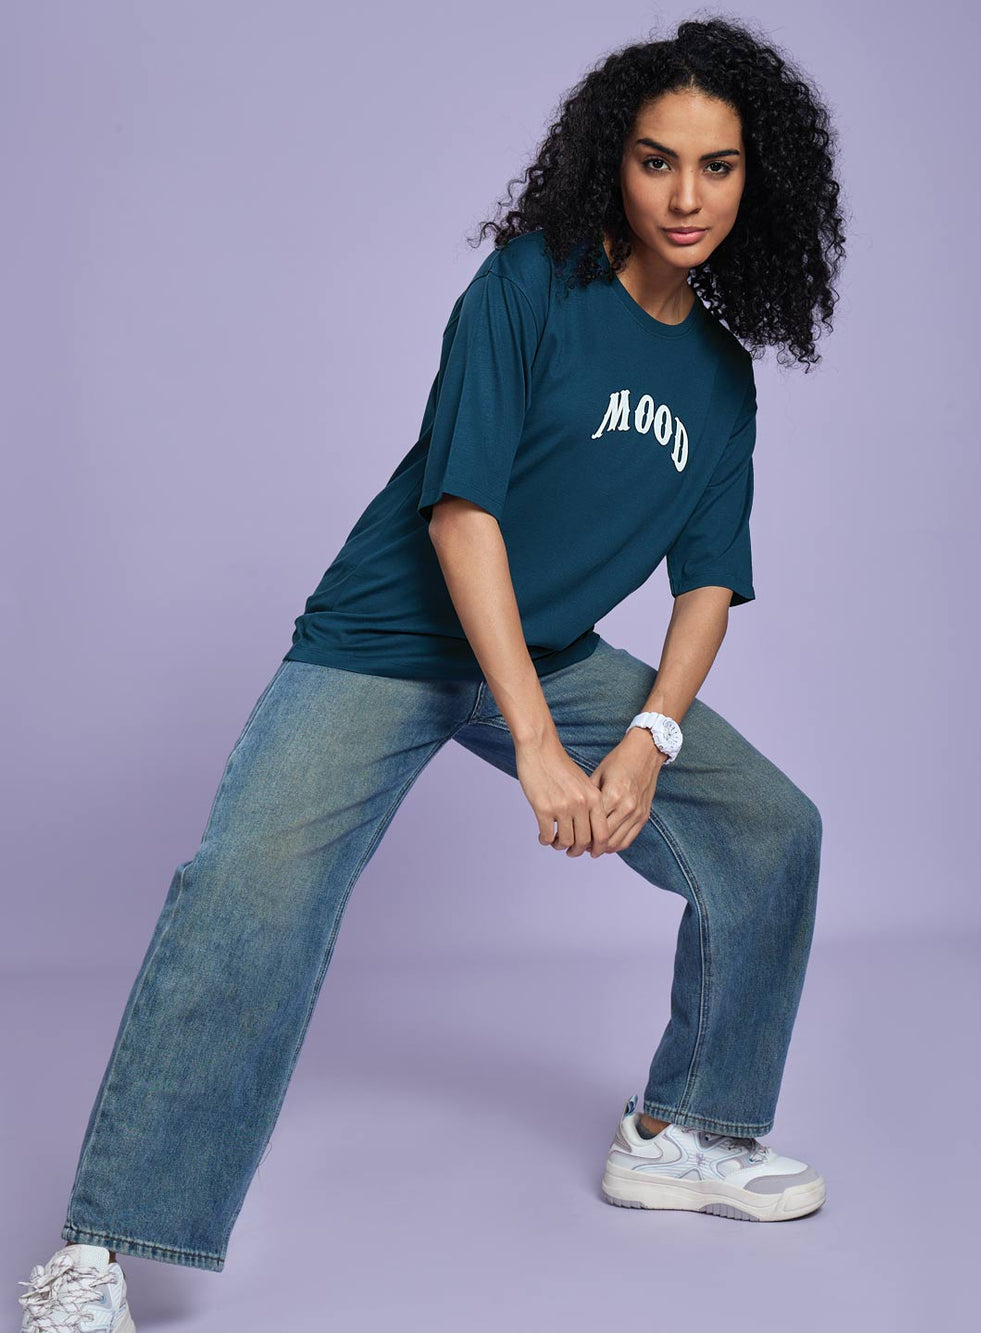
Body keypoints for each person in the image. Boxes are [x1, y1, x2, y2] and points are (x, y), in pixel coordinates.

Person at [18, 15, 846, 1330]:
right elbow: (463, 516)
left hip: (556, 650)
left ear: (761, 182)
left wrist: (646, 742)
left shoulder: (719, 378)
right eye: (656, 160)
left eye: (719, 166)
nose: (686, 197)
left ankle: (681, 1128)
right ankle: (100, 1249)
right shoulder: (528, 288)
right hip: (389, 640)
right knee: (250, 887)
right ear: (611, 166)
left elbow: (706, 586)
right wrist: (535, 741)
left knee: (773, 832)